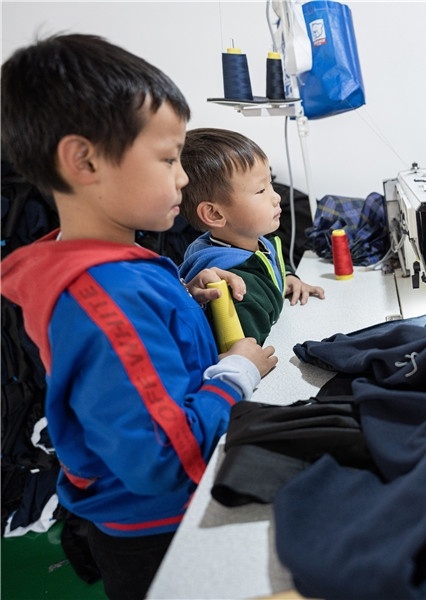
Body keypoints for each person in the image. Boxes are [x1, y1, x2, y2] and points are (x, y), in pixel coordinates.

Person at [0, 34, 278, 600]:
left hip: (152, 511)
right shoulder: (108, 297)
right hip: (160, 527)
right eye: (168, 159)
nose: (183, 177)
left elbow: (141, 356)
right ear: (84, 161)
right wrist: (237, 373)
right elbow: (161, 458)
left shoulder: (114, 263)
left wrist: (184, 298)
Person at [177, 127, 325, 344]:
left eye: (270, 184)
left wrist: (287, 278)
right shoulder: (237, 288)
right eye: (260, 191)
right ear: (214, 214)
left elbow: (267, 263)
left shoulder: (250, 243)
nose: (276, 197)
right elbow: (250, 351)